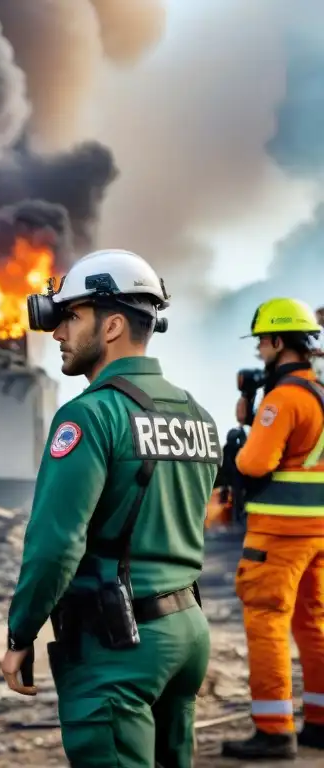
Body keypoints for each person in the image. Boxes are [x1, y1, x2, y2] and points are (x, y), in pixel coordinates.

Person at [1, 249, 220, 768]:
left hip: (116, 650)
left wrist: (21, 633)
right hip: (186, 634)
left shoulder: (90, 416)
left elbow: (56, 544)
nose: (58, 333)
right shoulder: (198, 416)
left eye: (72, 317)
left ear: (114, 325)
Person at [213, 297, 324, 760]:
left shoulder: (283, 401)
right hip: (318, 534)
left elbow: (254, 461)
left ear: (279, 342)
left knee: (266, 624)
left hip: (278, 537)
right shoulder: (319, 394)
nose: (259, 352)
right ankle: (320, 721)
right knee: (314, 625)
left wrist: (246, 435)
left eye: (262, 343)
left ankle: (274, 730)